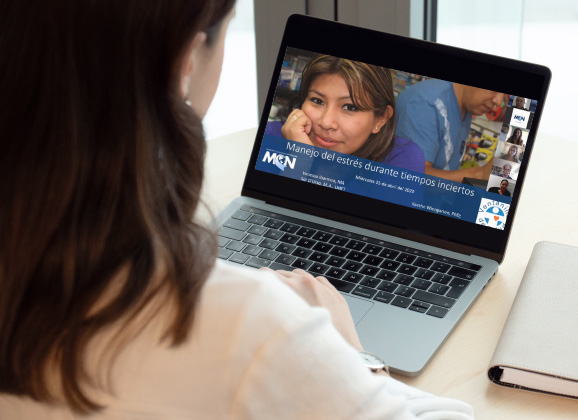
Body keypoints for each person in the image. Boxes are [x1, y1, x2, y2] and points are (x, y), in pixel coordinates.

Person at [0, 2, 473, 419]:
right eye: (317, 100)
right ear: (187, 57)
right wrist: (355, 354)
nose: (328, 120)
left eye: (350, 107)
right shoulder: (256, 325)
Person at [266, 55, 425, 173]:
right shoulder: (270, 136)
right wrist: (299, 160)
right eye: (317, 100)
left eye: (350, 107)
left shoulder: (402, 158)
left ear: (381, 118)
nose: (326, 123)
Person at [395, 79, 505, 183]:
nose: (498, 101)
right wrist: (478, 174)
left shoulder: (465, 106)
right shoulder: (427, 104)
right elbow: (410, 177)